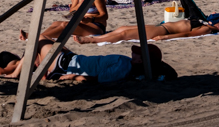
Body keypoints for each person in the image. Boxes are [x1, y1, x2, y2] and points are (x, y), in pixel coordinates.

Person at [1, 41, 172, 83]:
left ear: (142, 60)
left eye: (137, 54)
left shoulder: (123, 66)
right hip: (71, 60)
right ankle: (16, 69)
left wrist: (73, 78)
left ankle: (15, 73)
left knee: (38, 40)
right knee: (39, 49)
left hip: (67, 65)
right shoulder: (126, 64)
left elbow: (96, 79)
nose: (132, 54)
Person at [21, 0, 108, 42]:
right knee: (55, 23)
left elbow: (105, 16)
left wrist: (90, 19)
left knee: (64, 25)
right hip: (82, 22)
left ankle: (35, 38)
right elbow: (72, 10)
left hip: (96, 26)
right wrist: (79, 5)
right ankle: (40, 37)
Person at [74, 13, 219, 44]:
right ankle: (97, 38)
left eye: (217, 20)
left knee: (124, 34)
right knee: (123, 27)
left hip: (163, 31)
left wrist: (165, 38)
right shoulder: (206, 24)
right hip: (160, 27)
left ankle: (90, 40)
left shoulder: (207, 29)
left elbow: (186, 34)